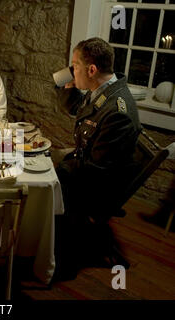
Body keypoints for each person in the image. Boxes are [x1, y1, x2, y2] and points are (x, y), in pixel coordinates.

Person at [53, 37, 142, 280]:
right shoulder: (102, 91)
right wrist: (68, 87)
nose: (72, 70)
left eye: (75, 65)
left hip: (98, 188)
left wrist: (60, 166)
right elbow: (80, 111)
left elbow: (96, 171)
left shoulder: (117, 111)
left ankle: (50, 255)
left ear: (92, 70)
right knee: (45, 164)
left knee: (45, 180)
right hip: (87, 170)